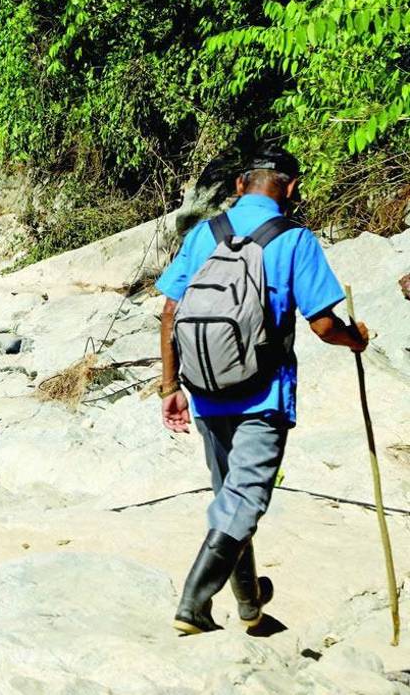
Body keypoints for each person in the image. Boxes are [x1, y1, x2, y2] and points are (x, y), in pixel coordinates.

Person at [156, 143, 369, 635]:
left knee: (230, 499)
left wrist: (170, 386)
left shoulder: (204, 234)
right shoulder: (295, 239)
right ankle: (193, 603)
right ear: (291, 188)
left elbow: (169, 311)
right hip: (262, 393)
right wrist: (354, 338)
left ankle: (250, 605)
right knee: (246, 498)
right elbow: (321, 325)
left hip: (206, 389)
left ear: (238, 185)